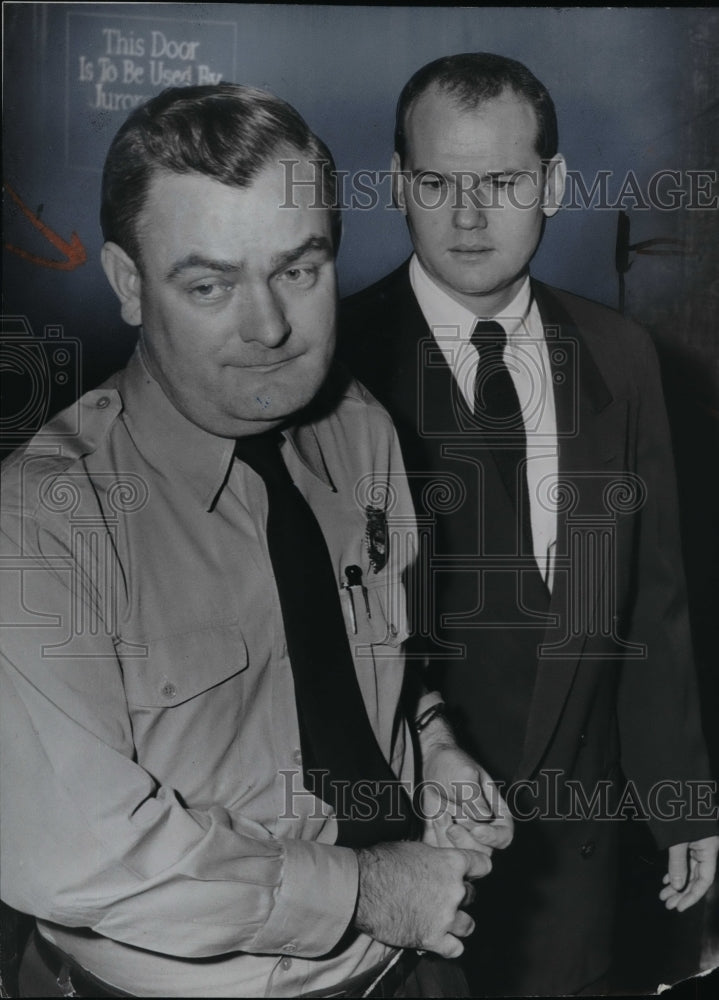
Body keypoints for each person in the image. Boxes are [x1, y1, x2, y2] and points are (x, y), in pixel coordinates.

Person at [0, 84, 513, 998]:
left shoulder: (361, 429)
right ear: (127, 284)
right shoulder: (46, 518)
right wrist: (365, 890)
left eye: (298, 269)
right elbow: (70, 849)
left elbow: (384, 658)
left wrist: (432, 743)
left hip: (401, 966)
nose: (270, 327)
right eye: (209, 284)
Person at [339, 52, 719, 996]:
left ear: (552, 183)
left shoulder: (621, 357)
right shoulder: (330, 363)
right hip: (395, 859)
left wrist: (680, 803)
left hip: (574, 863)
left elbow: (650, 609)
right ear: (398, 184)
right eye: (437, 182)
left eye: (501, 182)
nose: (468, 216)